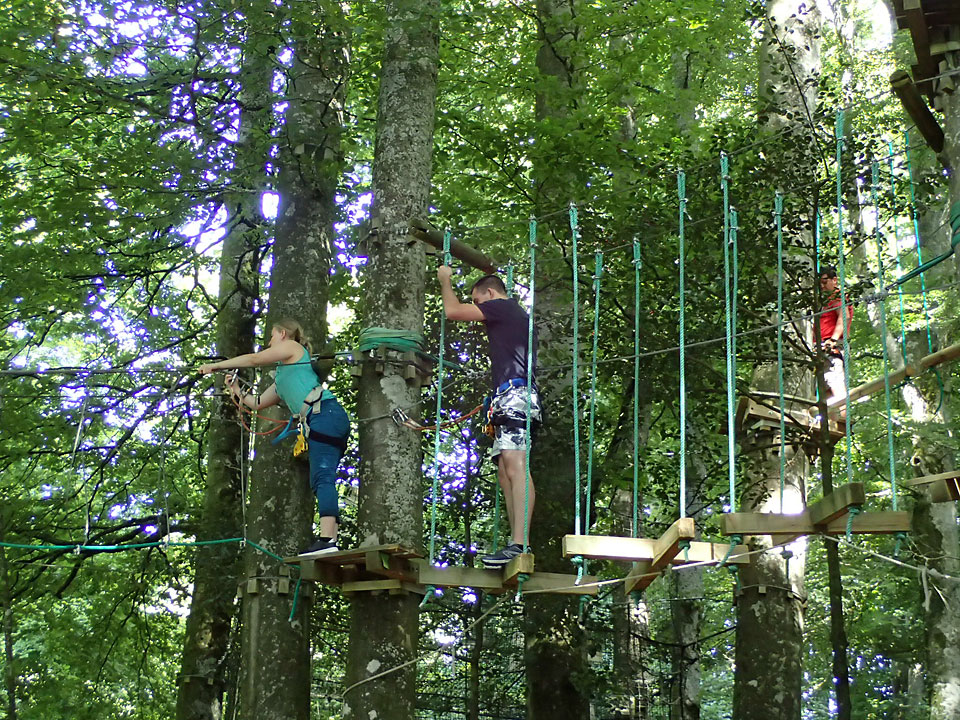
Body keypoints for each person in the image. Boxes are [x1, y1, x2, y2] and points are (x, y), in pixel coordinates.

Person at [199, 319, 350, 555]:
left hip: (325, 414)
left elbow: (254, 359)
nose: (269, 341)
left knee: (322, 476)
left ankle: (328, 540)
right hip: (321, 418)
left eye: (271, 336)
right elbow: (257, 404)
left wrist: (216, 366)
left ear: (282, 333)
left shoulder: (293, 348)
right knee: (320, 478)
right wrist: (236, 389)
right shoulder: (282, 377)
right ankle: (329, 539)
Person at [437, 266, 540, 567]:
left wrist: (445, 280)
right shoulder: (514, 316)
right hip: (509, 396)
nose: (480, 309)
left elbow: (453, 311)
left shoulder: (503, 307)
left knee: (516, 463)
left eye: (479, 301)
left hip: (517, 395)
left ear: (490, 294)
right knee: (505, 469)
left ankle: (521, 544)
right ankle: (515, 542)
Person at [818, 265, 854, 419]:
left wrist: (832, 340)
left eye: (825, 281)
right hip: (821, 346)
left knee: (835, 381)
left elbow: (844, 316)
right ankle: (830, 421)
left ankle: (843, 420)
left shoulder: (836, 296)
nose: (822, 286)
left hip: (831, 345)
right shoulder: (825, 301)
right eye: (820, 283)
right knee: (824, 388)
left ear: (834, 280)